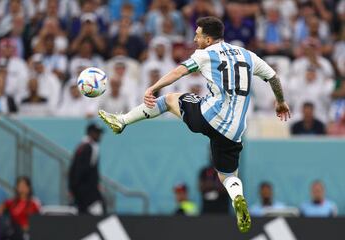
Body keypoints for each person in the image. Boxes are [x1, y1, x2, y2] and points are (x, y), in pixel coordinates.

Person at [98, 16, 290, 233]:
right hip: (234, 130)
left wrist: (152, 88)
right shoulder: (248, 55)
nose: (195, 38)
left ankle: (121, 121)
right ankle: (238, 198)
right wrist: (281, 101)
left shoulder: (205, 54)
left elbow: (179, 71)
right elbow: (273, 78)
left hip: (209, 116)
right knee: (228, 175)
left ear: (208, 39)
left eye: (198, 35)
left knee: (170, 99)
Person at [68, 123, 106, 215]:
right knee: (97, 212)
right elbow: (81, 170)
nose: (100, 136)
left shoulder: (83, 146)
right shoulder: (88, 147)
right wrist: (76, 188)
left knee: (85, 215)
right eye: (97, 133)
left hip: (83, 191)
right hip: (87, 192)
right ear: (91, 133)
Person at [0, 176, 40, 240]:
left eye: (24, 186)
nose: (22, 188)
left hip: (27, 234)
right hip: (13, 233)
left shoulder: (34, 203)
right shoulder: (11, 202)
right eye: (20, 186)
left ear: (29, 188)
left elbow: (39, 221)